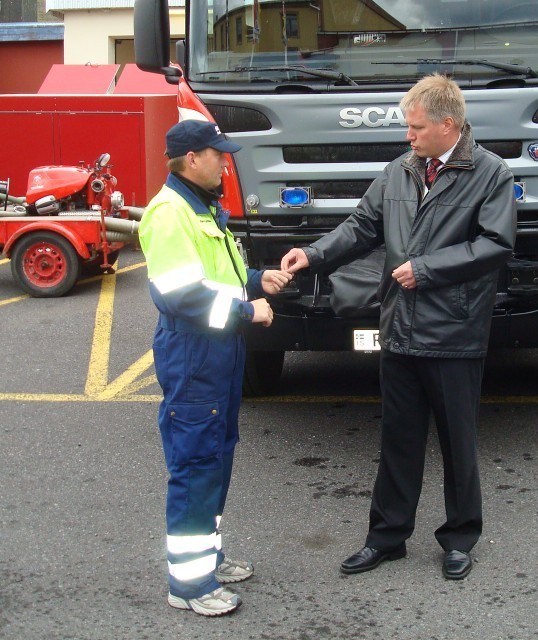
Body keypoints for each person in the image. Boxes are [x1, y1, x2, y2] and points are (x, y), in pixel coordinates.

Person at [281, 74, 516, 580]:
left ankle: (459, 538)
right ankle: (387, 538)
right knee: (398, 441)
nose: (408, 136)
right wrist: (313, 254)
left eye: (415, 128)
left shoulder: (490, 173)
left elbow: (497, 244)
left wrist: (427, 269)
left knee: (459, 443)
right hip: (401, 330)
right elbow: (362, 227)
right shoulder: (399, 171)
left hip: (453, 334)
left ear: (447, 124)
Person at [139, 120, 291, 616]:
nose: (225, 161)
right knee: (195, 467)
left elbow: (218, 275)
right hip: (194, 355)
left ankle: (209, 557)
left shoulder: (202, 206)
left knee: (217, 459)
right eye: (217, 154)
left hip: (218, 355)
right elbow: (180, 297)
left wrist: (254, 279)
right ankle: (188, 585)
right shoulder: (169, 213)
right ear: (190, 160)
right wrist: (247, 310)